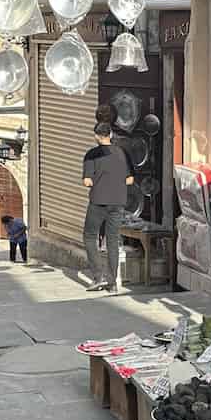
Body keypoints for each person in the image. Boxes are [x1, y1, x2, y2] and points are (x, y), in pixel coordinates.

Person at [82, 122, 132, 292]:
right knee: (112, 241)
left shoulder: (91, 155)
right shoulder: (122, 153)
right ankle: (112, 284)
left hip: (98, 201)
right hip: (118, 202)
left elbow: (87, 181)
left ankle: (98, 277)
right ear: (110, 134)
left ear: (96, 136)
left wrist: (99, 181)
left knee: (90, 236)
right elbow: (129, 179)